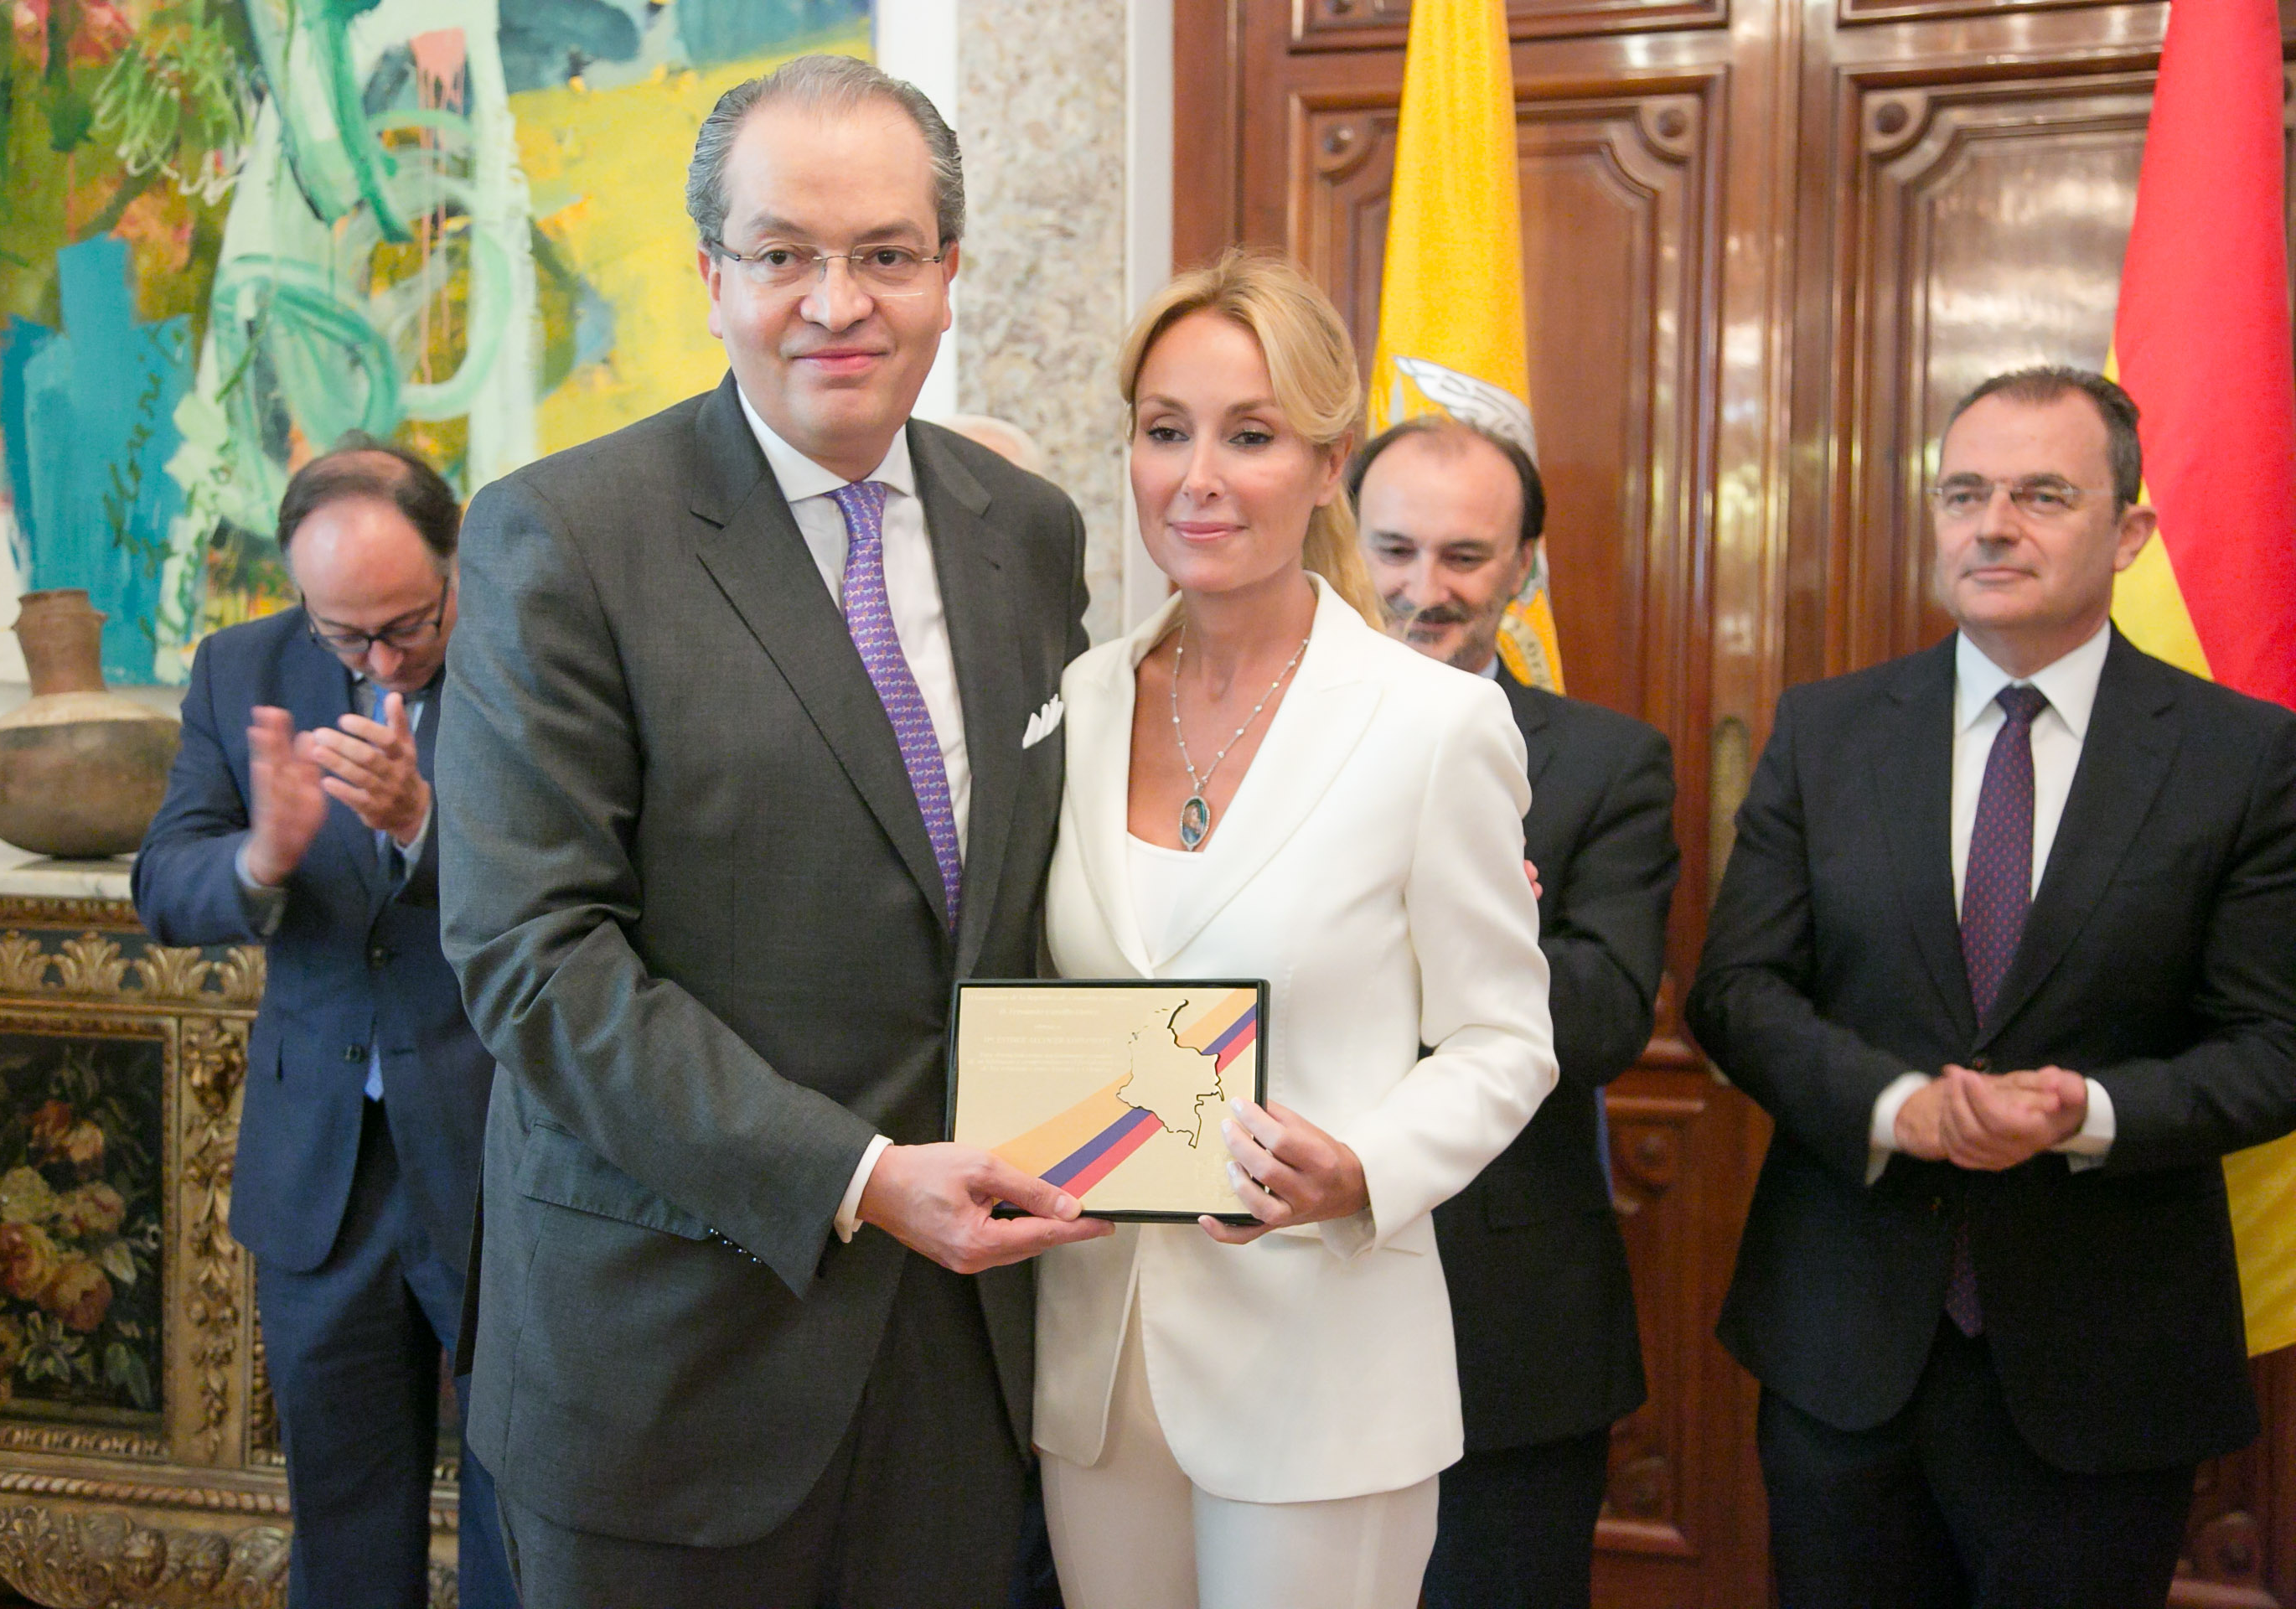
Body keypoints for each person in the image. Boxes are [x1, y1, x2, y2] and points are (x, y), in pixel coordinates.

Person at [432, 54, 1109, 1609]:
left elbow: (1048, 885)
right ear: (711, 275)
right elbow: (534, 958)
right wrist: (857, 1174)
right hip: (668, 1363)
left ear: (948, 271)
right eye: (784, 252)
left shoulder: (1028, 533)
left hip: (960, 1359)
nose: (836, 302)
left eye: (885, 253)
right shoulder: (565, 535)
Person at [1689, 366, 2296, 1609]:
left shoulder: (2242, 757)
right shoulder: (1827, 732)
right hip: (1844, 1355)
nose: (1993, 525)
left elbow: (2275, 1045)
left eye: (2042, 495)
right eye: (1964, 493)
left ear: (2130, 531)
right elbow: (1737, 989)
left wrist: (2090, 1113)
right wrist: (1895, 1104)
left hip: (2105, 1368)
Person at [1031, 251, 1559, 1609]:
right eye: (1165, 431)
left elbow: (1506, 1040)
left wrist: (1363, 1168)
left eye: (1250, 436)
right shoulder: (1077, 703)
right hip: (1097, 1363)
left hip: (1322, 1365)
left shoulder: (1434, 722)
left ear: (1330, 465)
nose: (1198, 477)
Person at [131, 438, 515, 1609]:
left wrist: (424, 825)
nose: (381, 659)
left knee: (521, 1518)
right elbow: (164, 883)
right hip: (319, 1175)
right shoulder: (238, 668)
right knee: (343, 1527)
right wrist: (262, 856)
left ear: (455, 566)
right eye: (346, 636)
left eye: (408, 626)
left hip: (500, 1156)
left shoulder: (532, 652)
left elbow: (593, 881)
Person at [1352, 414, 1678, 1609]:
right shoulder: (1235, 735)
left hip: (1506, 1327)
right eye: (1394, 550)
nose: (1422, 590)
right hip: (1265, 1291)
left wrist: (1472, 916)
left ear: (1525, 565)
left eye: (1465, 557)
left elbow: (1599, 1022)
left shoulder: (1607, 764)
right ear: (1343, 541)